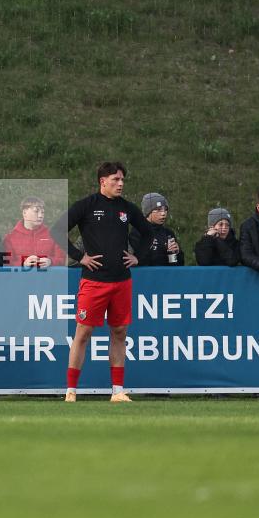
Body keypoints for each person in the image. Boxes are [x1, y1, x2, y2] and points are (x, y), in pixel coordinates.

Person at [52, 161, 153, 403]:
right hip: (94, 282)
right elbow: (56, 230)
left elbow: (148, 232)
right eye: (116, 180)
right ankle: (71, 391)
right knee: (83, 333)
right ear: (102, 181)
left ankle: (117, 391)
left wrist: (138, 256)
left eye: (122, 180)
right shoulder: (87, 205)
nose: (120, 184)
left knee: (119, 333)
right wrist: (80, 257)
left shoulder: (126, 208)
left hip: (121, 282)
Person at [4, 197, 67, 269]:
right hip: (20, 279)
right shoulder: (10, 237)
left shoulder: (54, 235)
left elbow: (61, 259)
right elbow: (7, 263)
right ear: (24, 213)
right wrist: (23, 263)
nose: (40, 216)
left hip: (48, 278)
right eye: (36, 211)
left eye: (42, 212)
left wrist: (50, 261)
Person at [128, 192, 185, 267]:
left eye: (165, 210)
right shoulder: (137, 232)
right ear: (148, 212)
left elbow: (179, 265)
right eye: (159, 210)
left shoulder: (168, 233)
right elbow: (134, 260)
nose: (163, 213)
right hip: (146, 276)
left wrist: (177, 253)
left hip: (167, 276)